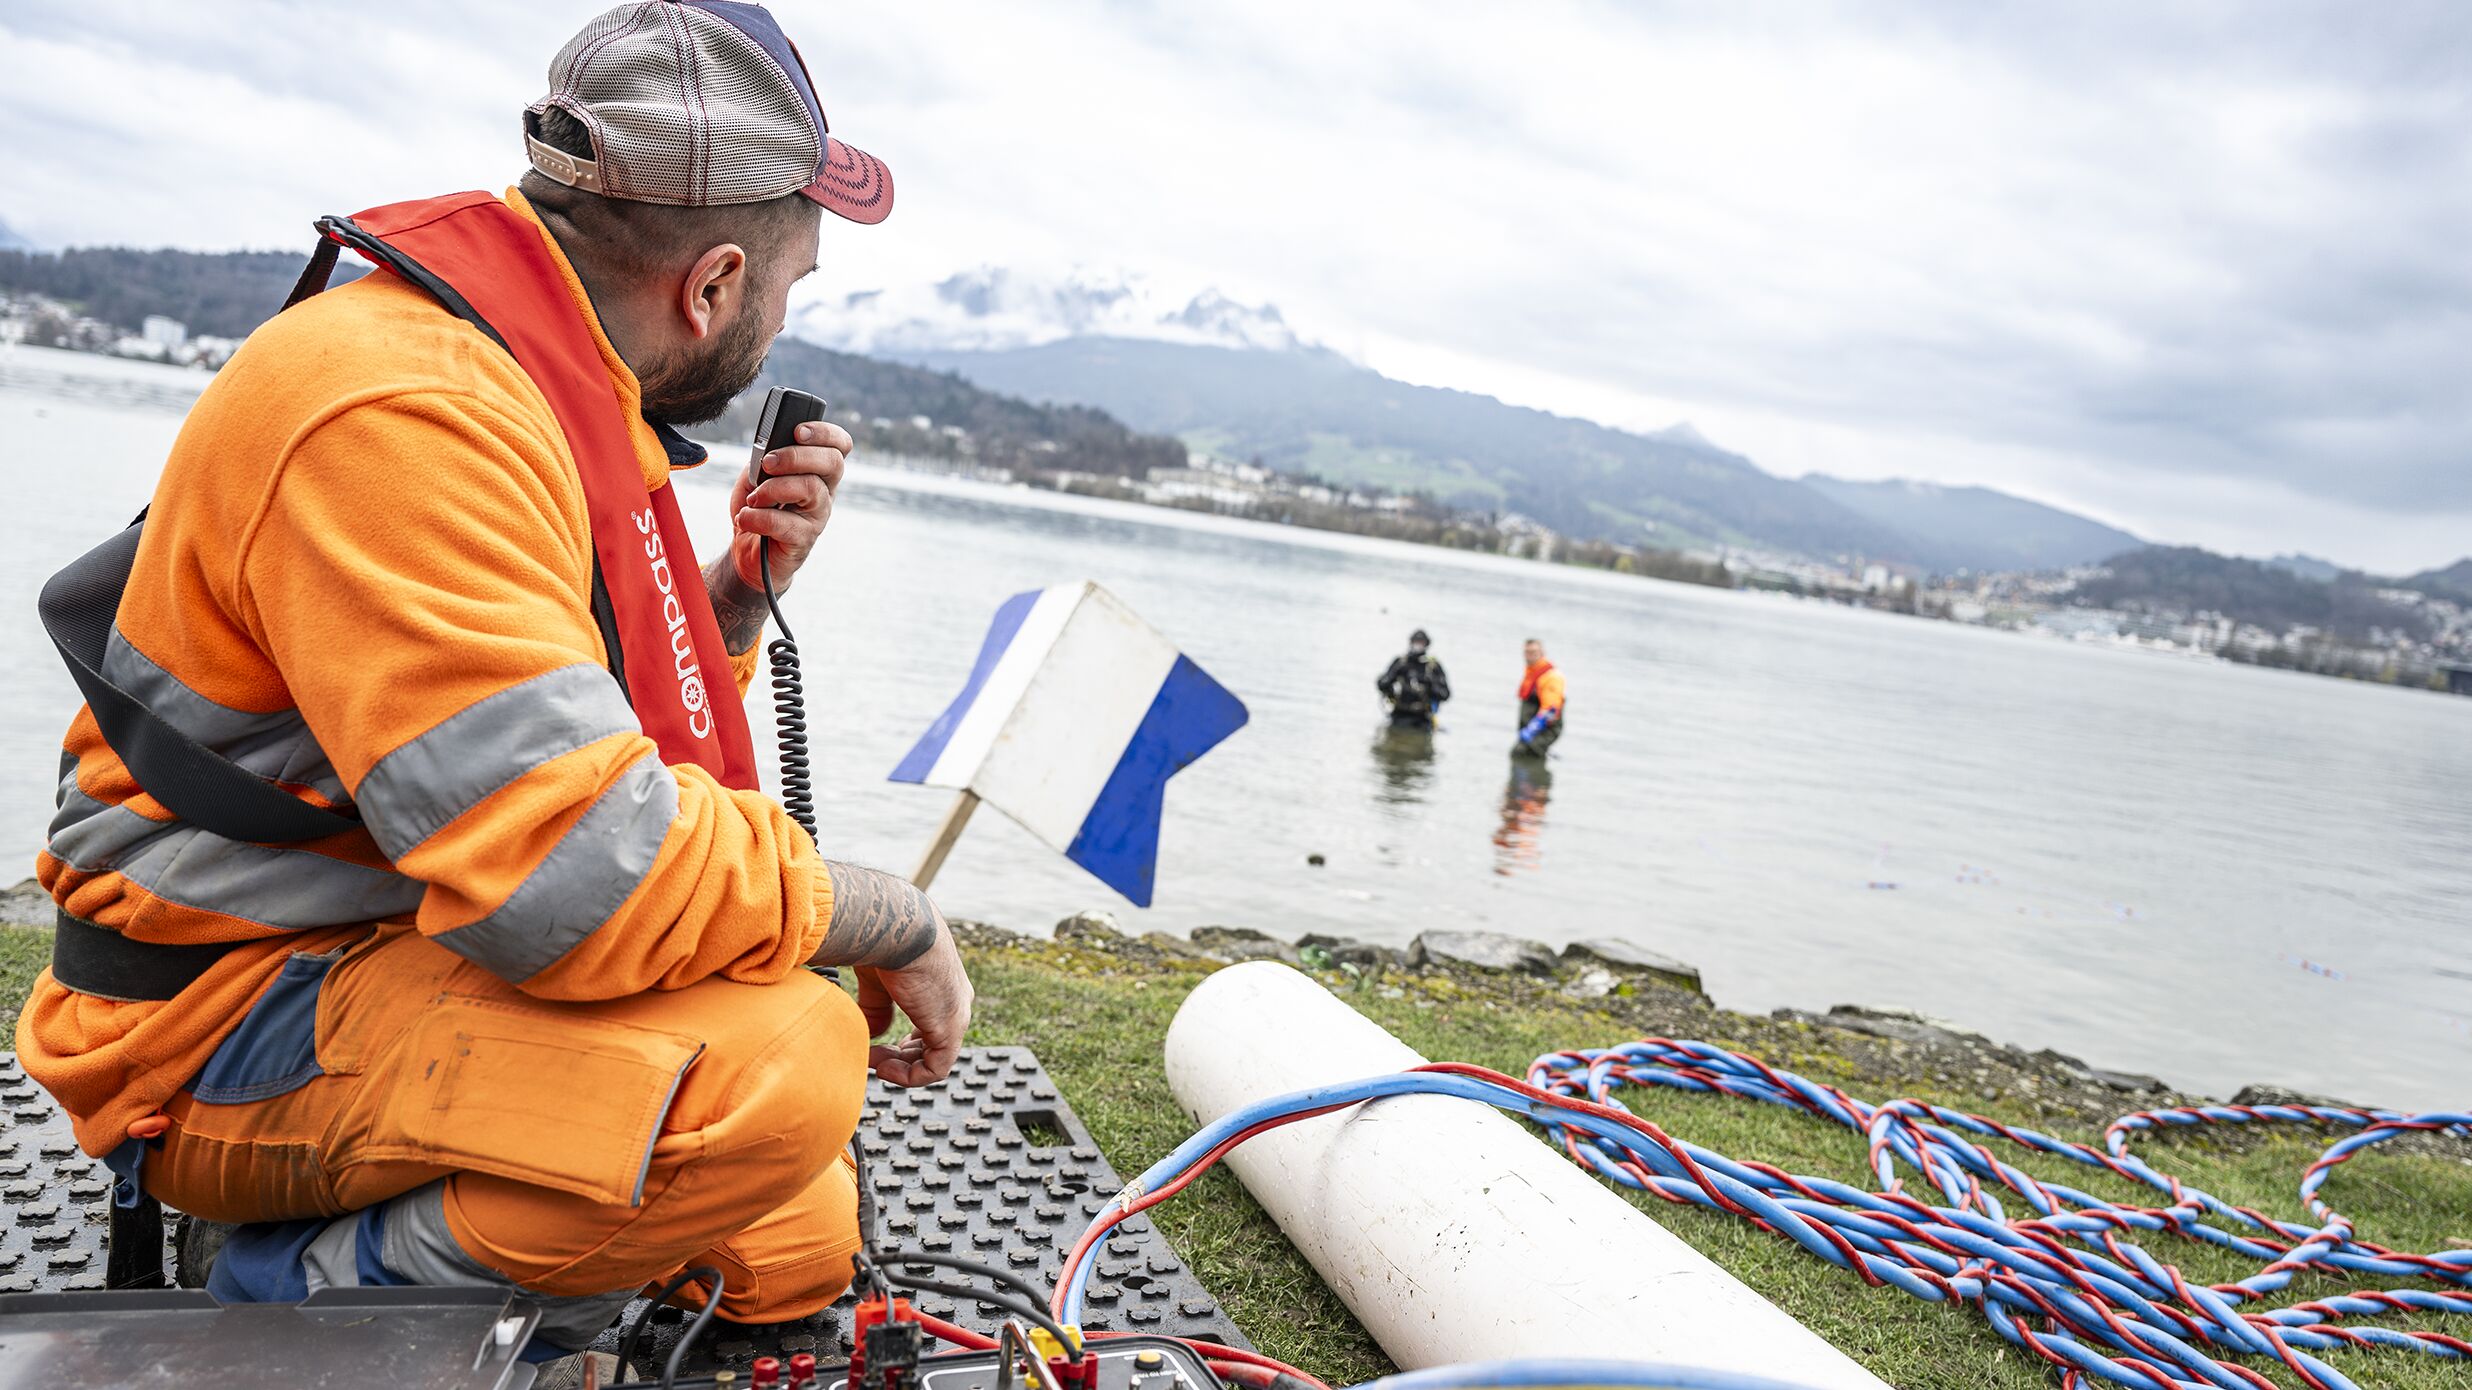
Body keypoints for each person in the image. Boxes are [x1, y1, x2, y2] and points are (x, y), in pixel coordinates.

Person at [20, 0, 967, 1360]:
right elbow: (579, 880)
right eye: (792, 283)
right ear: (709, 287)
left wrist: (729, 605)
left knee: (795, 1235)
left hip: (382, 942)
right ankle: (278, 1294)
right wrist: (891, 918)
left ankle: (472, 1240)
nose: (782, 316)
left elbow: (556, 764)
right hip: (215, 1014)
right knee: (775, 1075)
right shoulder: (410, 412)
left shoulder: (528, 376)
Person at [1376, 628, 1452, 730]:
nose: (1418, 645)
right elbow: (1382, 684)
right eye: (1416, 642)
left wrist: (1431, 684)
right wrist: (1391, 679)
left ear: (1426, 645)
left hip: (1423, 719)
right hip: (1399, 715)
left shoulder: (1433, 667)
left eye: (1421, 642)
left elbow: (1445, 694)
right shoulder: (1401, 662)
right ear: (1411, 642)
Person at [1515, 638, 1566, 756]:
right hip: (1528, 730)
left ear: (1542, 653)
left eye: (1534, 652)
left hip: (1540, 731)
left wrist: (1531, 730)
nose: (1529, 656)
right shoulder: (1531, 672)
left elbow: (1551, 709)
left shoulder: (1551, 677)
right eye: (1527, 652)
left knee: (1522, 756)